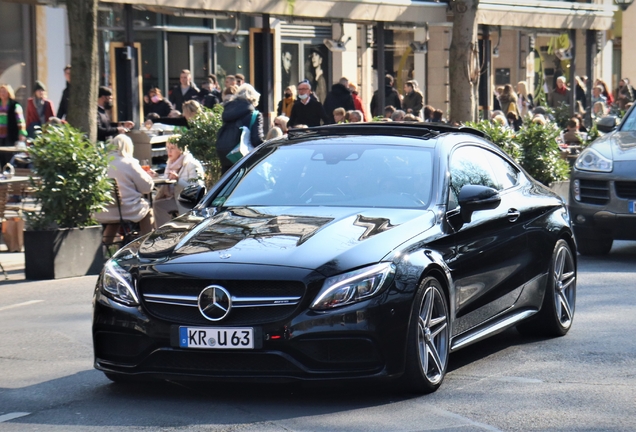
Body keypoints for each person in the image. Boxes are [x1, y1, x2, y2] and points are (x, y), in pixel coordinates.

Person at [95, 134, 155, 242]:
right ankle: (148, 243)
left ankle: (104, 244)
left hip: (103, 209)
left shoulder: (102, 163)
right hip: (126, 209)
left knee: (116, 216)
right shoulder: (129, 163)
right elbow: (146, 188)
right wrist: (149, 177)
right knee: (147, 210)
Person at [153, 138, 204, 227]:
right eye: (167, 148)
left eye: (172, 148)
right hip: (175, 199)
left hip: (187, 202)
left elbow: (197, 190)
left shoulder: (191, 164)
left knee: (158, 205)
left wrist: (178, 180)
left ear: (180, 149)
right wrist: (155, 177)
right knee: (157, 205)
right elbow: (164, 188)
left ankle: (168, 231)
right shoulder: (170, 164)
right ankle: (164, 233)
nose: (169, 151)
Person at [216, 83, 265, 173]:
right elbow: (256, 140)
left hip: (226, 157)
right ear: (254, 98)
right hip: (245, 159)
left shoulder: (228, 111)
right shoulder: (254, 115)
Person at [0, 84, 27, 168]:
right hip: (0, 135)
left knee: (9, 154)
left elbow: (20, 121)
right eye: (1, 91)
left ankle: (8, 172)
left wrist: (21, 133)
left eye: (4, 91)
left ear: (9, 93)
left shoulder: (15, 105)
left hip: (10, 134)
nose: (2, 93)